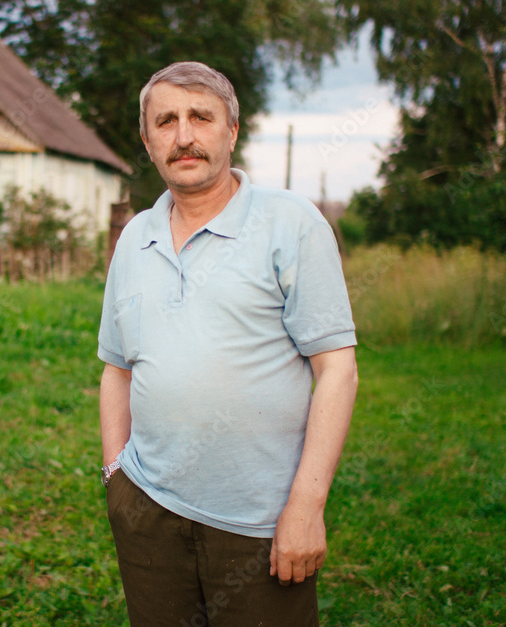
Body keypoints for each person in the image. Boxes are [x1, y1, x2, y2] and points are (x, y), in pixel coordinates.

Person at [97, 61, 359, 626]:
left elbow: (337, 370)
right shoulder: (134, 237)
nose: (183, 136)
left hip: (260, 524)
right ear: (147, 141)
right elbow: (117, 367)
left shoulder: (292, 224)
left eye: (201, 117)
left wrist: (306, 506)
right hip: (148, 512)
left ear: (232, 131)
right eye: (165, 121)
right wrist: (116, 479)